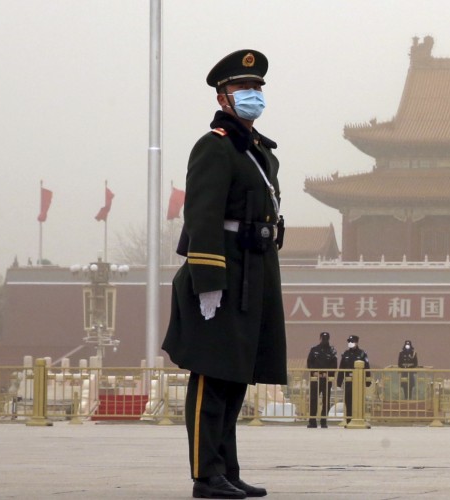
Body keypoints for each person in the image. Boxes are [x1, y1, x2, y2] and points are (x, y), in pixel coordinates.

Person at [161, 48, 286, 500]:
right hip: (221, 273)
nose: (252, 94)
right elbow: (203, 216)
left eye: (256, 88)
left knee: (235, 378)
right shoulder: (214, 147)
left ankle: (226, 471)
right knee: (212, 379)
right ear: (222, 96)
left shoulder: (256, 150)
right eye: (243, 88)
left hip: (253, 272)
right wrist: (207, 283)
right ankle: (204, 475)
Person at [306, 332, 338, 429]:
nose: (324, 340)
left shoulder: (332, 351)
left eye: (326, 338)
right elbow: (309, 362)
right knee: (313, 400)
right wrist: (314, 372)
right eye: (323, 338)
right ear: (320, 338)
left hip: (326, 379)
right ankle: (312, 421)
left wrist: (328, 373)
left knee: (326, 400)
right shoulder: (314, 350)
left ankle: (323, 421)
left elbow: (334, 365)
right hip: (315, 379)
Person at [337, 335, 369, 425]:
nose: (350, 343)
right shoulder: (346, 354)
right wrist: (339, 382)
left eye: (352, 341)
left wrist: (368, 380)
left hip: (359, 382)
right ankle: (349, 420)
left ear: (357, 342)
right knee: (348, 400)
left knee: (359, 400)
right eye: (349, 342)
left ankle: (359, 419)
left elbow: (367, 367)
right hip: (348, 381)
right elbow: (341, 368)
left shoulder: (362, 354)